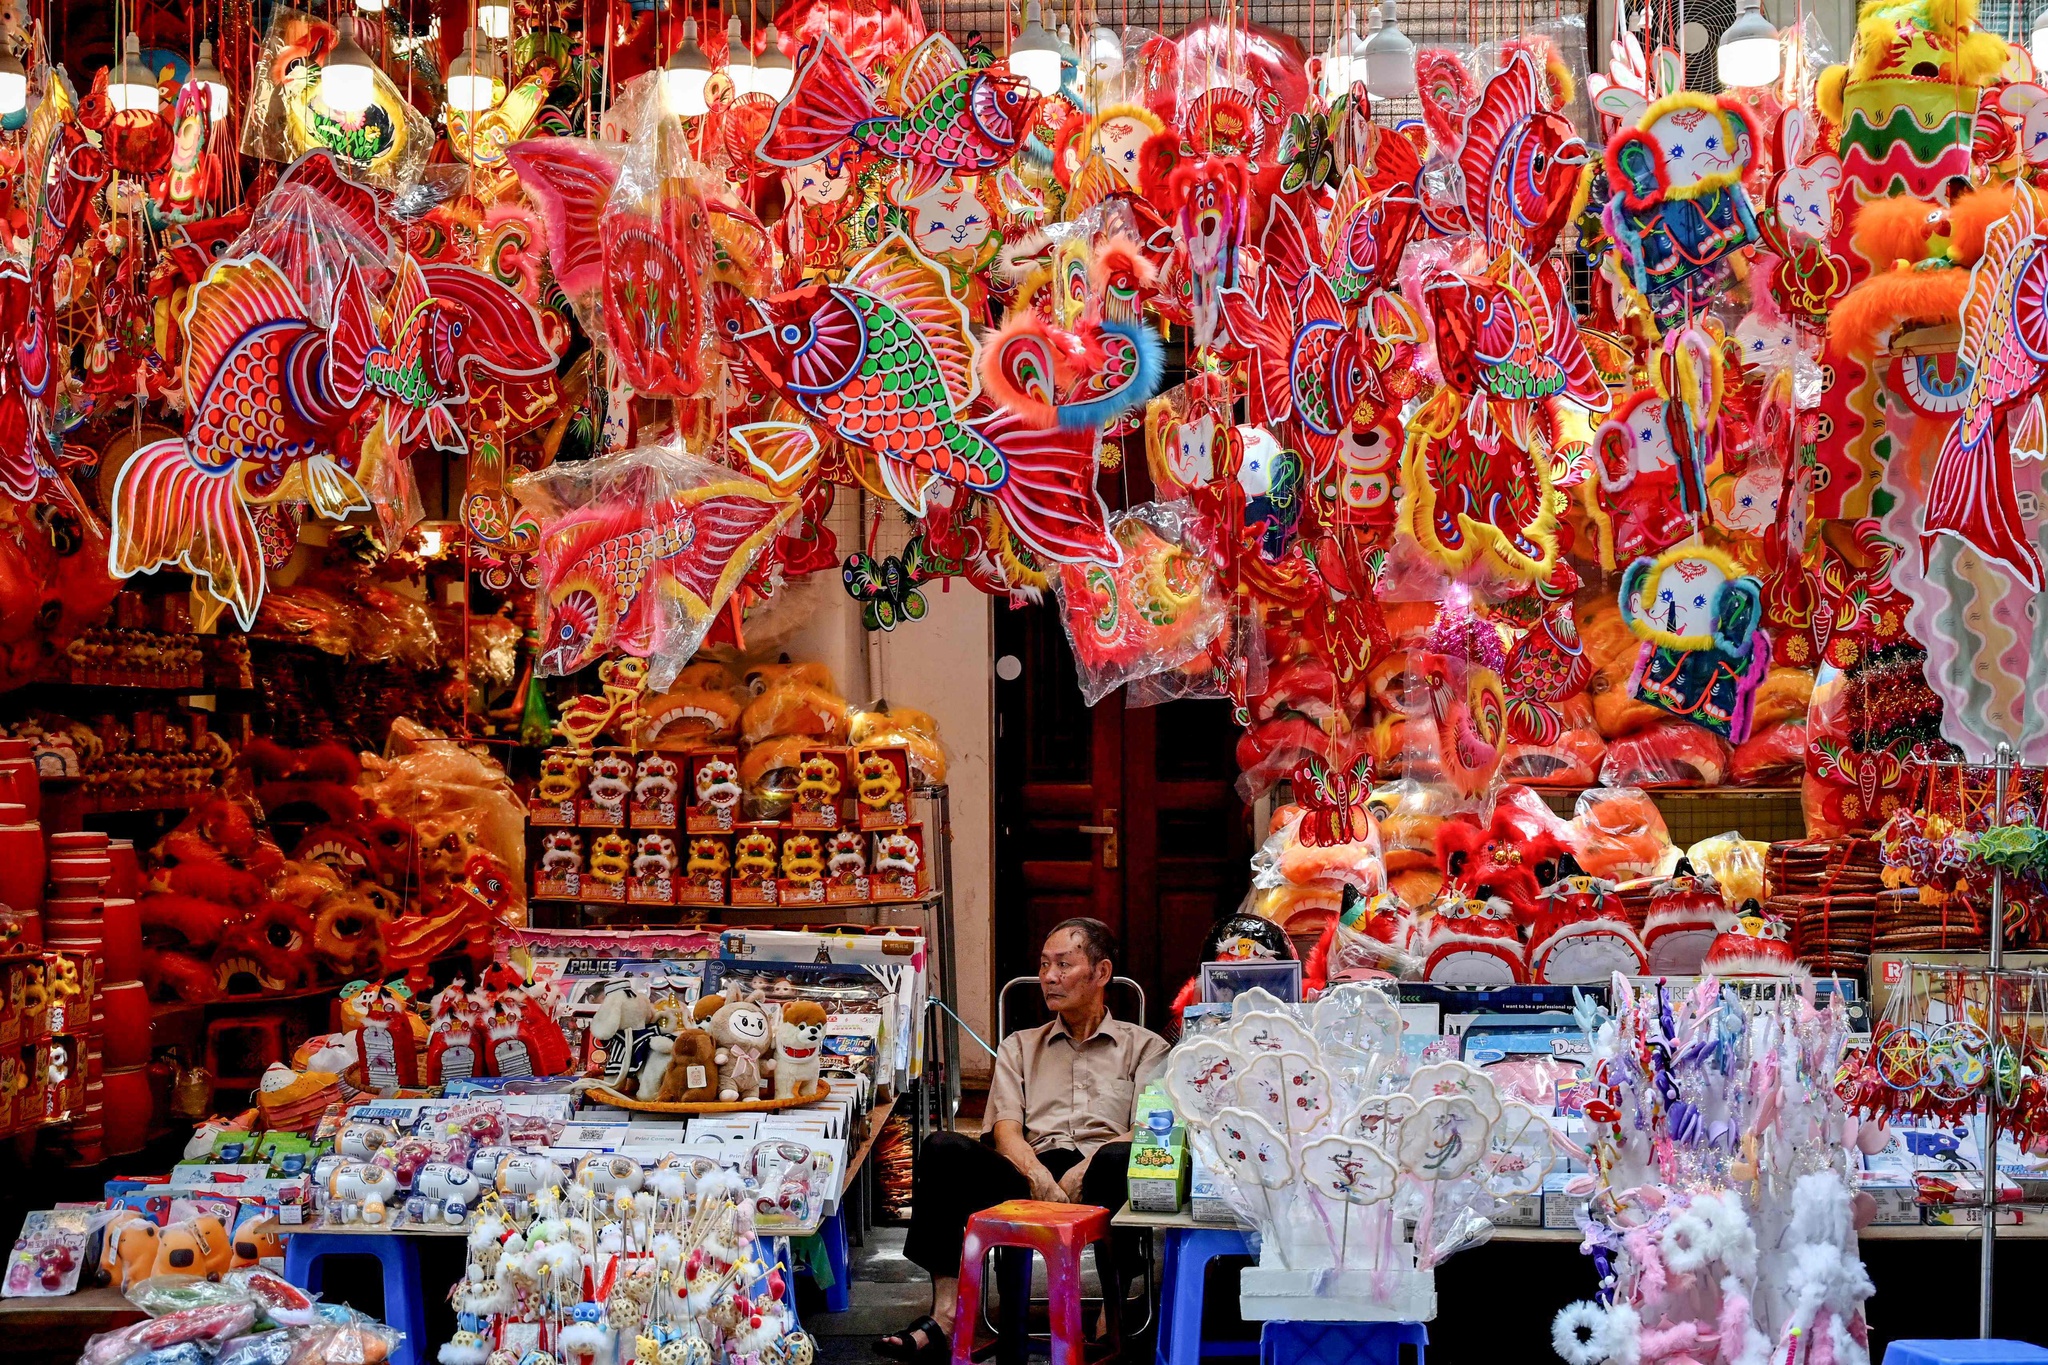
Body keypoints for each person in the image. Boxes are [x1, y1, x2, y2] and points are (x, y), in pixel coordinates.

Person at [875, 918, 1169, 1362]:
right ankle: (947, 1316)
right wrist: (1036, 1175)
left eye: (1064, 965)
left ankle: (1112, 1313)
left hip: (1101, 1174)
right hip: (1029, 1168)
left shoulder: (1146, 1048)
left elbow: (1148, 1126)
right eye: (1044, 965)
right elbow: (1005, 1129)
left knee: (1122, 1156)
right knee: (943, 1148)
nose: (1048, 977)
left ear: (1102, 973)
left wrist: (1082, 1171)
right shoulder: (1018, 1046)